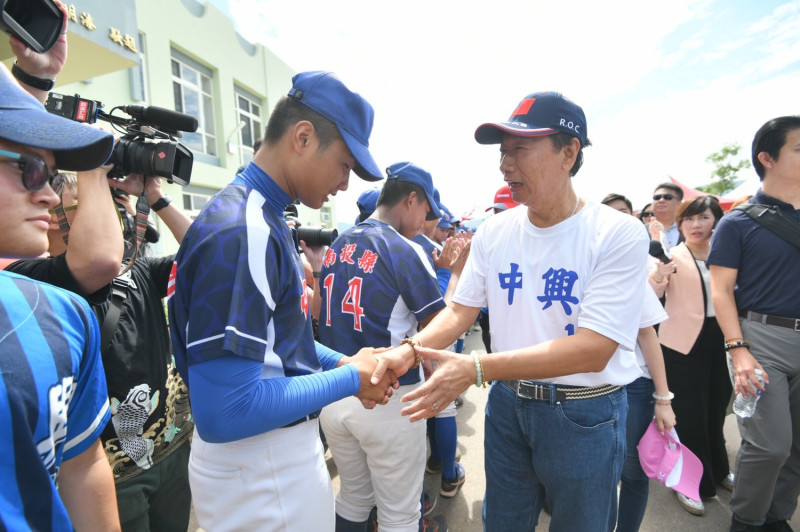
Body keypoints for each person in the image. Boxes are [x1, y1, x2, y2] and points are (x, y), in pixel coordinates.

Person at [372, 90, 649, 530]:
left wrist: (476, 368)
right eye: (503, 152)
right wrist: (405, 353)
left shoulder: (617, 233)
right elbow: (460, 312)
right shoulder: (495, 233)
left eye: (520, 149)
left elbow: (594, 349)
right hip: (507, 404)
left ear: (568, 152)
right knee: (502, 522)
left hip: (583, 412)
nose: (505, 164)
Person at [168, 71, 396, 531]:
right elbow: (226, 411)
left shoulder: (264, 215)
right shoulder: (243, 228)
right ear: (304, 137)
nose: (345, 186)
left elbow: (280, 344)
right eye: (345, 165)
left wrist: (346, 362)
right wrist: (350, 378)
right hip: (258, 467)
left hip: (265, 460)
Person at [9, 171, 196, 531]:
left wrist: (156, 197)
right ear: (52, 217)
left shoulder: (136, 267)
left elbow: (211, 251)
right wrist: (92, 166)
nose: (106, 212)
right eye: (88, 201)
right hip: (107, 475)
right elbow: (94, 261)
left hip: (173, 449)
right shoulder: (30, 278)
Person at [0, 61, 120, 530]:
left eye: (52, 177)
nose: (50, 198)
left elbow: (82, 467)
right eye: (31, 170)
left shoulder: (64, 313)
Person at [318, 162, 451, 532]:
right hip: (386, 395)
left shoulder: (339, 242)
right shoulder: (403, 249)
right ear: (411, 199)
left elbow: (316, 312)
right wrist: (454, 275)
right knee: (400, 514)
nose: (425, 222)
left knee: (353, 497)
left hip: (334, 390)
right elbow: (438, 325)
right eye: (426, 212)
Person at [708, 115, 800, 532]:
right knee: (770, 445)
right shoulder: (738, 221)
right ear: (767, 157)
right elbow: (722, 291)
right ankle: (746, 521)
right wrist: (737, 348)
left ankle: (777, 517)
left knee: (797, 447)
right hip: (760, 339)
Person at [649, 195, 733, 515]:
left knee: (715, 411)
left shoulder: (727, 254)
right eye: (689, 219)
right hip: (682, 345)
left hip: (721, 339)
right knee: (689, 416)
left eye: (704, 218)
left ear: (716, 221)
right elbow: (653, 293)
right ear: (681, 224)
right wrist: (659, 276)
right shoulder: (671, 255)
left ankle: (720, 471)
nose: (696, 225)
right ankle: (690, 483)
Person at [613, 285, 676, 531]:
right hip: (582, 383)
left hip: (633, 383)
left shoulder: (625, 263)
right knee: (595, 472)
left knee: (632, 470)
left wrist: (663, 399)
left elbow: (647, 334)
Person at [648, 182, 684, 247]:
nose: (661, 200)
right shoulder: (641, 230)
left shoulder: (688, 229)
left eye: (668, 197)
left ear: (680, 204)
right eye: (657, 197)